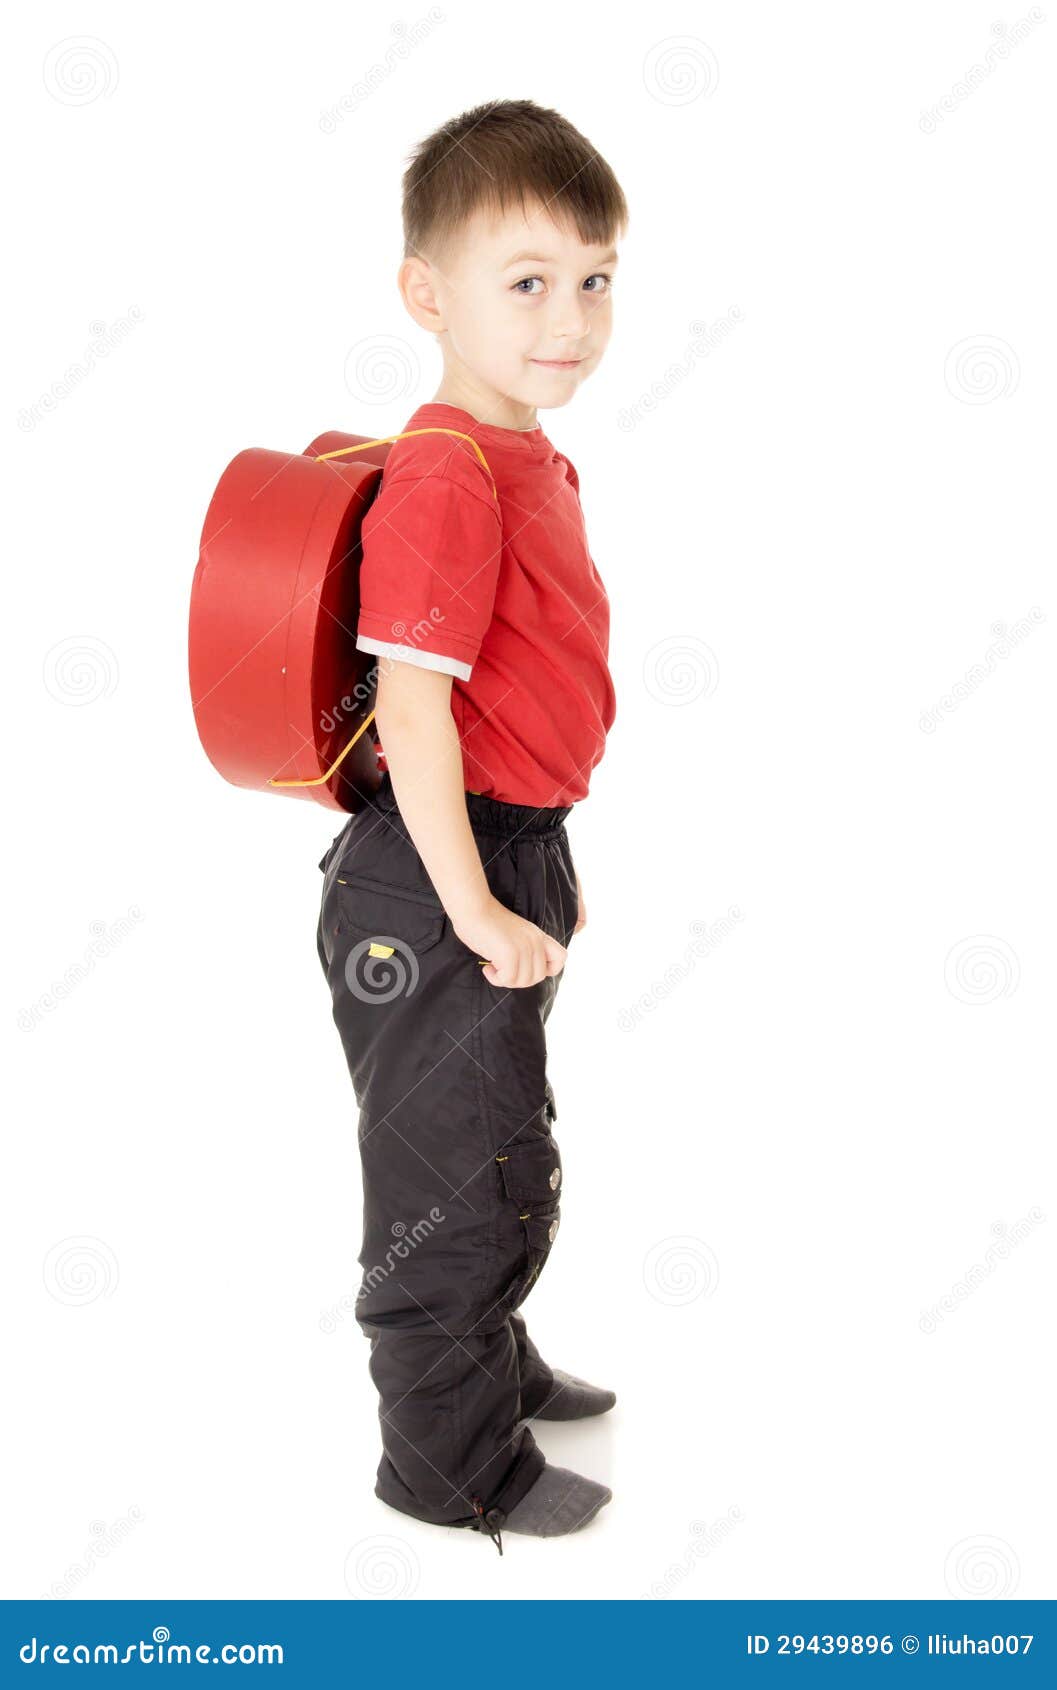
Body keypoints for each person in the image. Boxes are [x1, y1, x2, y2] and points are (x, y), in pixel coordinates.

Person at [316, 98, 628, 1554]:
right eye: (527, 281)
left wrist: (538, 874)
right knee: (448, 1179)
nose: (571, 318)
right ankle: (447, 1468)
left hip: (505, 844)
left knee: (499, 1137)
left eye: (595, 277)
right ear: (427, 294)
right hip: (437, 870)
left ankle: (490, 1368)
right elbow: (416, 712)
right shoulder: (448, 473)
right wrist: (478, 907)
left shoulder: (524, 454)